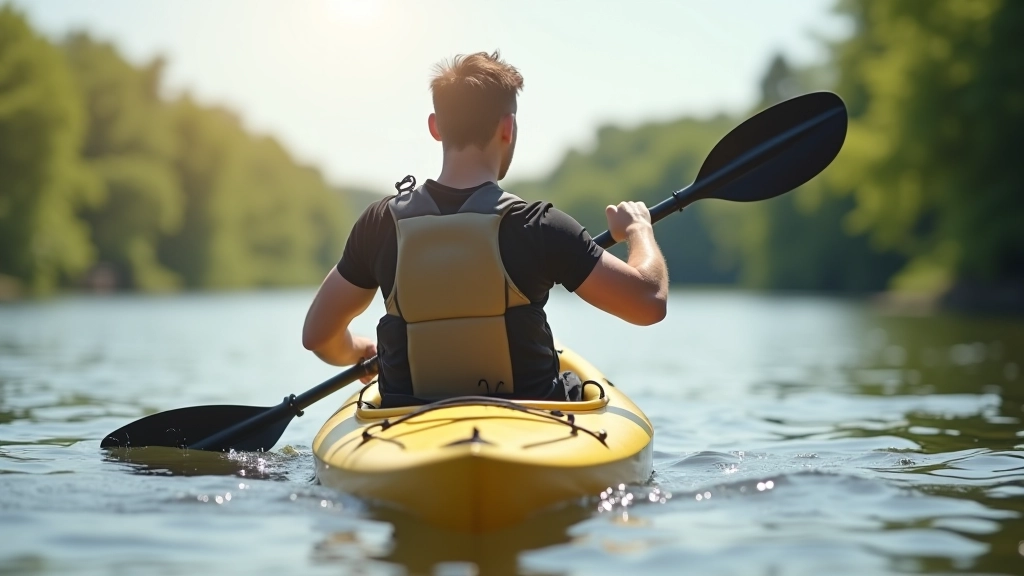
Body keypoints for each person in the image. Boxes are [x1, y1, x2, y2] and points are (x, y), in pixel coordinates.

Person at [303, 51, 667, 405]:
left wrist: (358, 350)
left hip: (407, 415)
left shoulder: (380, 223)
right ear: (507, 128)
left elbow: (318, 336)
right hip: (529, 414)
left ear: (435, 128)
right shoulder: (539, 226)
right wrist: (638, 230)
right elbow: (648, 303)